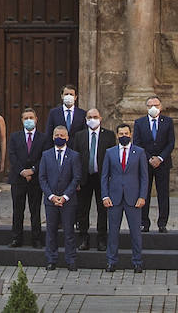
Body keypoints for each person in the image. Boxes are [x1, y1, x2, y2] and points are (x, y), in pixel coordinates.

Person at [101, 121, 149, 273]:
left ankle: (137, 262)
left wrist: (142, 196)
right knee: (113, 232)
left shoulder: (139, 152)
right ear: (117, 135)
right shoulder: (110, 152)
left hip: (133, 198)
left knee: (135, 232)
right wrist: (105, 196)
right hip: (114, 198)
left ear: (131, 135)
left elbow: (144, 177)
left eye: (126, 134)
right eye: (121, 134)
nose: (123, 136)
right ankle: (111, 261)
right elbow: (104, 176)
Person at [38, 124, 81, 271]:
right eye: (57, 135)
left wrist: (64, 197)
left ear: (67, 138)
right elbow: (42, 178)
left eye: (62, 136)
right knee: (51, 232)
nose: (59, 138)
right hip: (51, 201)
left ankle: (71, 260)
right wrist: (51, 196)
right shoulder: (46, 155)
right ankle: (51, 259)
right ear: (52, 137)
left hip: (68, 201)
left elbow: (76, 178)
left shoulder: (74, 156)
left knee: (69, 231)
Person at [6, 106, 47, 248]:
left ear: (36, 120)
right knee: (18, 210)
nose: (28, 120)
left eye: (31, 118)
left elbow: (44, 156)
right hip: (18, 179)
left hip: (35, 180)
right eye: (26, 118)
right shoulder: (15, 136)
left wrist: (33, 170)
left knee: (35, 210)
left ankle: (36, 239)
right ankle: (16, 238)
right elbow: (12, 155)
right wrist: (22, 171)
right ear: (22, 120)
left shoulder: (43, 138)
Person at [134, 95, 175, 233]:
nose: (153, 108)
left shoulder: (168, 122)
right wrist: (149, 158)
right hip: (146, 163)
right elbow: (137, 143)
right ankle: (144, 222)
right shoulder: (139, 123)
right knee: (144, 192)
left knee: (163, 194)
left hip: (163, 164)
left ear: (161, 107)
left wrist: (160, 158)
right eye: (150, 105)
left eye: (156, 105)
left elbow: (171, 143)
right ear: (146, 107)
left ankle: (162, 223)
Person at [71, 106, 109, 250]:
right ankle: (83, 239)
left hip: (101, 178)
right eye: (89, 117)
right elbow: (75, 158)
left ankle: (102, 240)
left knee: (102, 210)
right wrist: (76, 180)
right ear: (86, 120)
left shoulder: (108, 135)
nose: (92, 120)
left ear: (100, 118)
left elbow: (110, 158)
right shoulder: (80, 136)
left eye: (95, 117)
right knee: (82, 210)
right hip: (84, 179)